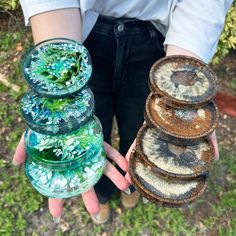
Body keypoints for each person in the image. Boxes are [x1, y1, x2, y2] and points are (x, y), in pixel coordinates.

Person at [14, 0, 233, 224]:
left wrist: (181, 93)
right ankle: (102, 195)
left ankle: (134, 181)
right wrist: (59, 84)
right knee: (91, 137)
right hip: (79, 33)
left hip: (156, 40)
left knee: (142, 130)